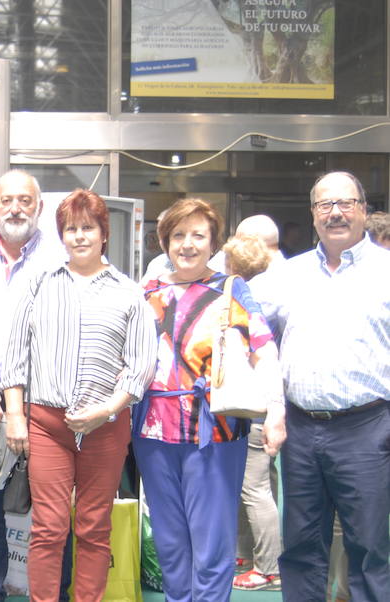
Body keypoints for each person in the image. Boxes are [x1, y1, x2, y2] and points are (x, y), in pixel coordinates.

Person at [1, 189, 157, 602]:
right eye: (71, 229)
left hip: (106, 426)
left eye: (88, 228)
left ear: (104, 233)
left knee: (94, 527)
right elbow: (14, 355)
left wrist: (106, 410)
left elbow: (141, 365)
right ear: (62, 235)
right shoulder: (38, 284)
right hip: (46, 425)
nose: (80, 236)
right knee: (48, 528)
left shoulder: (129, 292)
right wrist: (15, 415)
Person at [131, 198, 286, 601]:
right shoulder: (148, 291)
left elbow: (264, 350)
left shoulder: (231, 289)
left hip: (215, 429)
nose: (187, 244)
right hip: (152, 431)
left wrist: (276, 411)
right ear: (165, 241)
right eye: (178, 235)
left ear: (213, 242)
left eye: (198, 235)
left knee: (212, 542)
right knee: (169, 540)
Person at [254, 171, 389, 602]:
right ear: (313, 214)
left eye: (346, 203)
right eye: (325, 205)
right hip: (301, 430)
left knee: (370, 548)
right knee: (301, 548)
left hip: (368, 429)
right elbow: (235, 311)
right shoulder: (286, 275)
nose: (336, 213)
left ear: (363, 210)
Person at [0, 169, 68, 602]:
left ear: (39, 207)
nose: (16, 208)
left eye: (25, 200)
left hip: (46, 399)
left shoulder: (61, 256)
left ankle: (56, 592)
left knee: (51, 508)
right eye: (7, 200)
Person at [221, 220, 284, 592]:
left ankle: (269, 568)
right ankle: (247, 553)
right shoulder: (284, 281)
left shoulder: (248, 295)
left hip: (253, 405)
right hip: (264, 404)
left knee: (253, 488)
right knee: (262, 484)